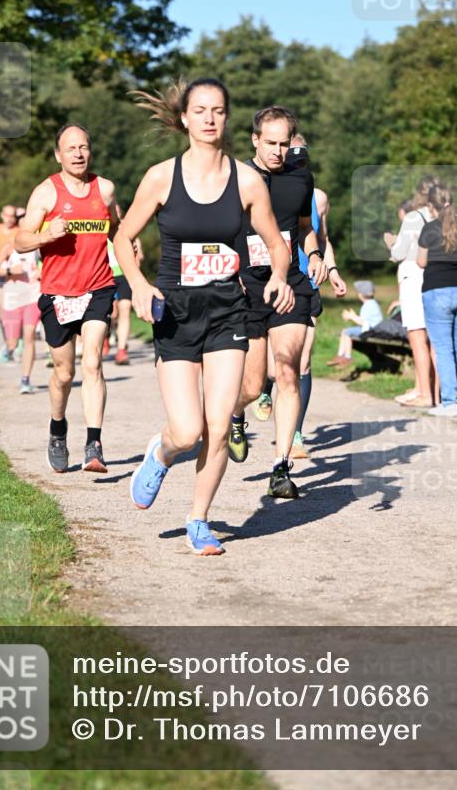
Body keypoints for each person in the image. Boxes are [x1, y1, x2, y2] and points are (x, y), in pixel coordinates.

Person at [113, 78, 292, 555]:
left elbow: (276, 243)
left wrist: (277, 275)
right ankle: (161, 452)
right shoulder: (161, 177)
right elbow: (122, 238)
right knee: (187, 430)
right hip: (174, 311)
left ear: (226, 119)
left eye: (218, 110)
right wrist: (138, 284)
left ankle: (199, 519)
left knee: (217, 424)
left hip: (226, 311)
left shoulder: (247, 181)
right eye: (201, 110)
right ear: (185, 118)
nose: (210, 118)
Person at [227, 107, 327, 500]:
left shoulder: (301, 178)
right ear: (254, 139)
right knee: (252, 386)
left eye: (285, 143)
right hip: (248, 287)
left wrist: (315, 255)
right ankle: (237, 415)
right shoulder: (236, 179)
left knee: (287, 372)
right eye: (270, 143)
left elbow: (304, 230)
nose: (278, 151)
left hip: (290, 285)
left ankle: (280, 467)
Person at [15, 124, 120, 472]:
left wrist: (128, 245)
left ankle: (94, 443)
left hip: (98, 287)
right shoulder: (46, 193)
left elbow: (118, 229)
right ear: (58, 155)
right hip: (57, 293)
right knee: (64, 372)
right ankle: (58, 429)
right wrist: (46, 234)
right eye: (70, 148)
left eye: (84, 147)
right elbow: (20, 240)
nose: (78, 153)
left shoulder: (104, 190)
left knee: (92, 362)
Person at [287, 134, 347, 459]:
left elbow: (323, 239)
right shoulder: (268, 188)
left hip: (309, 279)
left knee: (304, 358)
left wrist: (333, 270)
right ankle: (266, 393)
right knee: (276, 363)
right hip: (275, 281)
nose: (297, 166)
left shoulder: (319, 197)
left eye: (302, 160)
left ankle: (296, 434)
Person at [417, 184, 457, 416]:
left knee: (443, 349)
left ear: (432, 207)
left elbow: (421, 262)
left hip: (437, 290)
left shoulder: (429, 229)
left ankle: (450, 403)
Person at [384, 177, 439, 407]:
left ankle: (424, 394)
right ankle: (433, 392)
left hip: (413, 276)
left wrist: (391, 242)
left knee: (417, 336)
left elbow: (399, 253)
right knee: (435, 339)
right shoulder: (443, 215)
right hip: (436, 277)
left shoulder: (413, 217)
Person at [0, 220, 41, 392]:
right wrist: (10, 272)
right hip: (12, 297)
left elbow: (53, 264)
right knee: (13, 342)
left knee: (29, 336)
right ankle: (9, 348)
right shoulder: (10, 247)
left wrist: (43, 271)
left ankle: (26, 379)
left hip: (33, 296)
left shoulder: (39, 247)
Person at [107, 236, 143, 365]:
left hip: (124, 275)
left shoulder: (129, 230)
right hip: (106, 275)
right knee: (112, 313)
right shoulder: (101, 226)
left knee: (125, 309)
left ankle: (121, 351)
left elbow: (139, 256)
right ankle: (106, 334)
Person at [329, 281, 383, 365]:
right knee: (345, 331)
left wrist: (351, 316)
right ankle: (340, 356)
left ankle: (347, 357)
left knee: (347, 332)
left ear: (361, 294)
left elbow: (364, 323)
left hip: (371, 330)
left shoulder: (367, 305)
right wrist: (354, 316)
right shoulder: (372, 304)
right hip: (373, 329)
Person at [0, 205, 19, 336]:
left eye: (12, 215)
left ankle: (17, 338)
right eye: (7, 215)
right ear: (2, 215)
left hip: (15, 274)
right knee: (3, 308)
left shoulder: (19, 231)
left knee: (16, 308)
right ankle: (7, 340)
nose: (9, 218)